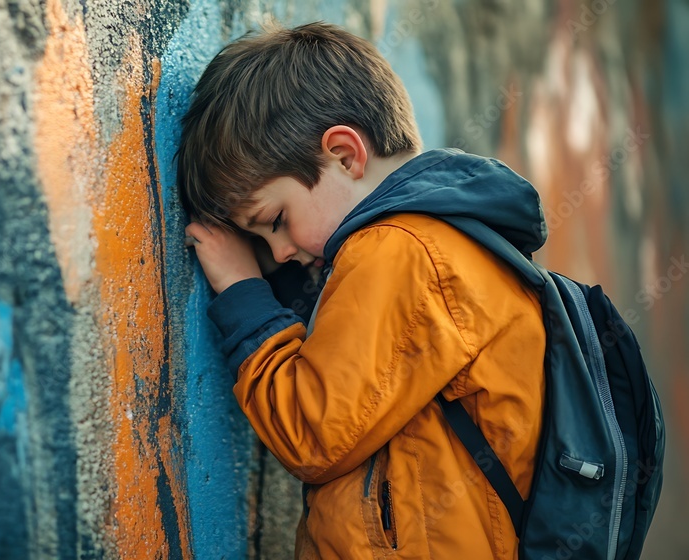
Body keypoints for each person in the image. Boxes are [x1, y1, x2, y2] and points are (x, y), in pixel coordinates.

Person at [177, 22, 547, 559]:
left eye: (275, 220)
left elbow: (314, 432)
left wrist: (241, 290)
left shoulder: (399, 251)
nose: (279, 253)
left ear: (345, 155)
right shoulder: (440, 244)